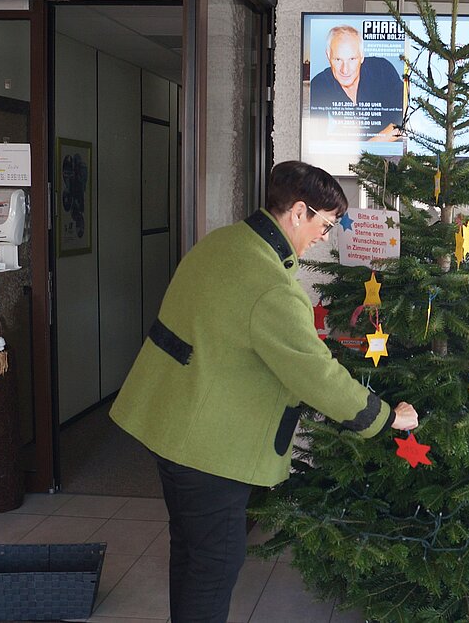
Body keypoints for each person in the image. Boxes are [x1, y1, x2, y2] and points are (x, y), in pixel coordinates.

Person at [110, 160, 419, 623]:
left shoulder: (224, 242)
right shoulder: (270, 285)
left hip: (169, 423)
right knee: (215, 563)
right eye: (326, 224)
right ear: (299, 212)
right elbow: (315, 374)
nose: (325, 235)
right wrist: (385, 417)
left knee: (192, 551)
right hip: (208, 446)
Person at [309, 25, 404, 141]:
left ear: (362, 56)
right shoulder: (319, 85)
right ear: (328, 56)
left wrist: (367, 151)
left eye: (352, 59)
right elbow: (317, 139)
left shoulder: (382, 70)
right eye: (338, 60)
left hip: (391, 150)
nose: (345, 70)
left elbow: (405, 122)